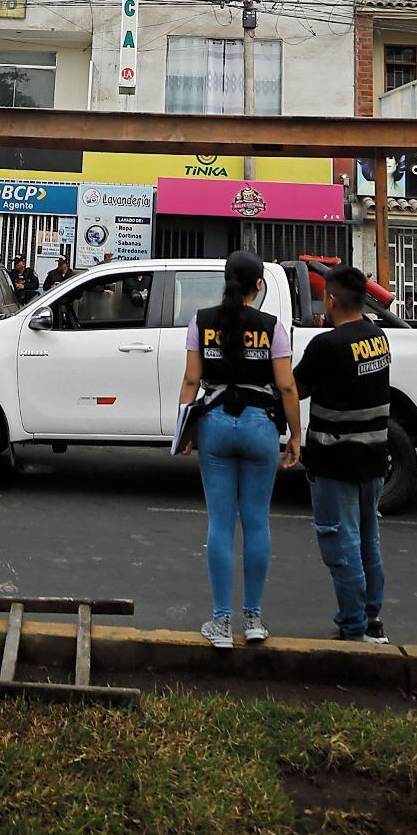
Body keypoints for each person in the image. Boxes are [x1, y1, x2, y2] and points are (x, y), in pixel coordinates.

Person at [176, 250, 300, 650]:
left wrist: (182, 433)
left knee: (220, 524)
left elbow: (191, 381)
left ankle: (220, 622)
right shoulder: (272, 327)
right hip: (260, 426)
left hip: (214, 425)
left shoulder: (201, 321)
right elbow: (287, 386)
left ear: (226, 281)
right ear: (258, 285)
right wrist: (296, 435)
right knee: (257, 523)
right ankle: (253, 620)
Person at [294, 265, 392, 644]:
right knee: (368, 542)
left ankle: (354, 628)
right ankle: (371, 620)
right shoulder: (378, 337)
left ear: (331, 300)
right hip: (373, 459)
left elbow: (297, 388)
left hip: (336, 462)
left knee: (342, 547)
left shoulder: (327, 345)